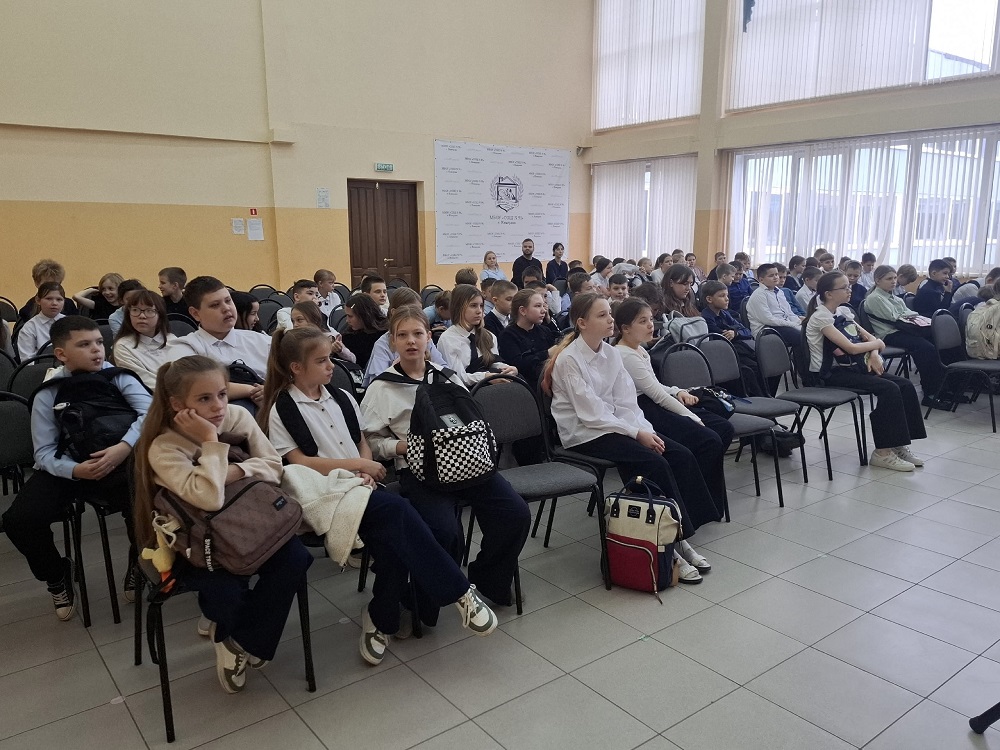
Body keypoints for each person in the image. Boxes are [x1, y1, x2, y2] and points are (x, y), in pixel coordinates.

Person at [258, 328, 498, 663]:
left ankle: (379, 618)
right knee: (399, 512)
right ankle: (459, 592)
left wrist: (366, 467)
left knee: (394, 543)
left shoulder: (341, 397)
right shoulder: (282, 409)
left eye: (330, 358)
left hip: (361, 488)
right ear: (296, 368)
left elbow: (362, 441)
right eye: (322, 361)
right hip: (325, 494)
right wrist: (359, 465)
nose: (331, 366)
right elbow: (300, 462)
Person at [132, 355, 310, 693]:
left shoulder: (238, 416)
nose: (218, 406)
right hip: (201, 540)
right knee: (225, 590)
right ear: (177, 404)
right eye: (204, 398)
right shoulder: (164, 447)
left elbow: (274, 466)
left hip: (252, 521)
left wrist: (234, 471)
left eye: (223, 394)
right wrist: (211, 440)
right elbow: (210, 499)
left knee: (296, 558)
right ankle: (237, 629)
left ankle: (238, 641)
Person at [362, 307, 531, 614]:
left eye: (418, 334)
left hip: (465, 462)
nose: (411, 341)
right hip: (420, 470)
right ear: (393, 341)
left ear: (429, 337)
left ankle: (487, 578)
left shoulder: (446, 376)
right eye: (402, 335)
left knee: (514, 514)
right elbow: (371, 441)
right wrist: (403, 447)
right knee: (444, 531)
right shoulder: (381, 388)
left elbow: (469, 418)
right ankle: (422, 601)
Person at [542, 294, 720, 583]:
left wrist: (644, 430)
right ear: (582, 323)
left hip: (617, 425)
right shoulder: (569, 360)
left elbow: (627, 404)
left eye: (609, 314)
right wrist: (636, 434)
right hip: (585, 433)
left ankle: (675, 536)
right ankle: (673, 546)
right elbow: (592, 415)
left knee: (679, 454)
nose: (610, 319)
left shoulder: (611, 354)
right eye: (602, 315)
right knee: (652, 463)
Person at [3, 317, 151, 621]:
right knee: (20, 520)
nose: (97, 350)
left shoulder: (118, 377)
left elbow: (150, 413)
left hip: (121, 460)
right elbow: (43, 452)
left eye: (99, 343)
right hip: (69, 466)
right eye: (84, 345)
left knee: (147, 503)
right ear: (61, 354)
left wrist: (124, 447)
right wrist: (75, 470)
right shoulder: (49, 392)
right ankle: (57, 574)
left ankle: (141, 561)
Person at [615, 298, 733, 550]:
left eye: (651, 319)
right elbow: (655, 395)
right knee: (707, 438)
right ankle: (695, 506)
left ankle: (706, 498)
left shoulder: (639, 349)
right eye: (643, 321)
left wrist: (678, 391)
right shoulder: (625, 355)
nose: (651, 325)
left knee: (721, 428)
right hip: (646, 409)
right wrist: (691, 416)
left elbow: (657, 387)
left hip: (655, 401)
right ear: (625, 328)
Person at [802, 272, 926, 471]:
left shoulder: (843, 312)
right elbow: (851, 348)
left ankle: (897, 444)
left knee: (905, 385)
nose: (849, 290)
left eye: (848, 286)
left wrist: (874, 354)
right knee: (889, 389)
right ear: (829, 294)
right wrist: (875, 346)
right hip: (831, 373)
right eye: (844, 287)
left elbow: (872, 339)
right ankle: (882, 453)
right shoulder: (821, 317)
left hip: (855, 366)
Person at [167, 276, 271, 409]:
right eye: (215, 305)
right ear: (195, 313)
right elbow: (193, 387)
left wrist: (270, 389)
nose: (226, 308)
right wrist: (251, 390)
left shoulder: (261, 341)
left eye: (228, 300)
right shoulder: (184, 347)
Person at [862, 265, 949, 408]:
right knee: (926, 348)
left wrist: (909, 316)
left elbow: (910, 313)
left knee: (936, 342)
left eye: (894, 278)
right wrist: (908, 316)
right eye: (889, 279)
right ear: (877, 280)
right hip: (888, 334)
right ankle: (930, 393)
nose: (893, 281)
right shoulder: (875, 298)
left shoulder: (894, 298)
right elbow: (894, 318)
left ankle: (944, 388)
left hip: (902, 330)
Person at [362, 288, 454, 386]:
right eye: (402, 335)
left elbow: (443, 369)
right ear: (394, 312)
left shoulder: (425, 340)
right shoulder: (382, 345)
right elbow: (377, 382)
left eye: (419, 312)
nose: (411, 341)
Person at [437, 284, 517, 386]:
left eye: (481, 306)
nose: (479, 311)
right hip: (465, 391)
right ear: (458, 308)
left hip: (491, 387)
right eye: (473, 306)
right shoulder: (448, 339)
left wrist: (507, 369)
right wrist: (485, 377)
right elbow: (457, 378)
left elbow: (492, 363)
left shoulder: (489, 336)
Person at [700, 280, 763, 395]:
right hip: (724, 355)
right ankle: (758, 397)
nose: (727, 299)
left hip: (737, 350)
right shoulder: (706, 318)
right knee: (751, 369)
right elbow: (721, 336)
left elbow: (747, 331)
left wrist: (735, 333)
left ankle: (767, 395)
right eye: (722, 296)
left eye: (727, 295)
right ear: (709, 299)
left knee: (763, 363)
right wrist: (735, 331)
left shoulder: (725, 314)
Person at [112, 289, 178, 389]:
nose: (142, 316)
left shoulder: (172, 340)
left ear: (160, 315)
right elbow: (143, 382)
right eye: (135, 310)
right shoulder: (123, 346)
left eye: (149, 311)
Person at [498, 288, 556, 386]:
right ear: (523, 310)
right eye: (538, 306)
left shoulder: (544, 330)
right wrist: (547, 353)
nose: (543, 310)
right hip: (525, 386)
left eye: (543, 305)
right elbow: (518, 365)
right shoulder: (508, 335)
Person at [746, 263, 802, 345]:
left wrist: (798, 322)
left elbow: (789, 313)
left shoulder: (780, 292)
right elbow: (768, 319)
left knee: (809, 331)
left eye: (776, 274)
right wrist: (792, 324)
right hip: (766, 329)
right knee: (799, 336)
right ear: (761, 280)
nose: (776, 277)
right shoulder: (759, 295)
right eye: (771, 276)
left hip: (782, 324)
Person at [17, 282, 66, 361]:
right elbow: (27, 360)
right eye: (49, 299)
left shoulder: (70, 324)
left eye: (59, 299)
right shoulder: (29, 328)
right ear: (38, 300)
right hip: (40, 368)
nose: (54, 303)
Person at [342, 293, 387, 370]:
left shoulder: (385, 335)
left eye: (350, 316)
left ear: (363, 315)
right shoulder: (349, 336)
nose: (347, 320)